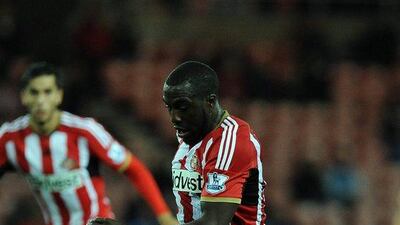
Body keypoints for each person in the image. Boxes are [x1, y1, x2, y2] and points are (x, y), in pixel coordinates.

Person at [89, 61, 267, 225]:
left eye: (183, 106)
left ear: (210, 102)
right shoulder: (189, 130)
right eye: (170, 107)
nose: (174, 117)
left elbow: (213, 222)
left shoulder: (232, 142)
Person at [0, 62, 178, 225]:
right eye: (34, 92)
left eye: (47, 92)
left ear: (58, 96)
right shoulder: (9, 138)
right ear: (23, 96)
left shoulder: (84, 130)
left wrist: (163, 215)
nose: (41, 101)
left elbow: (134, 168)